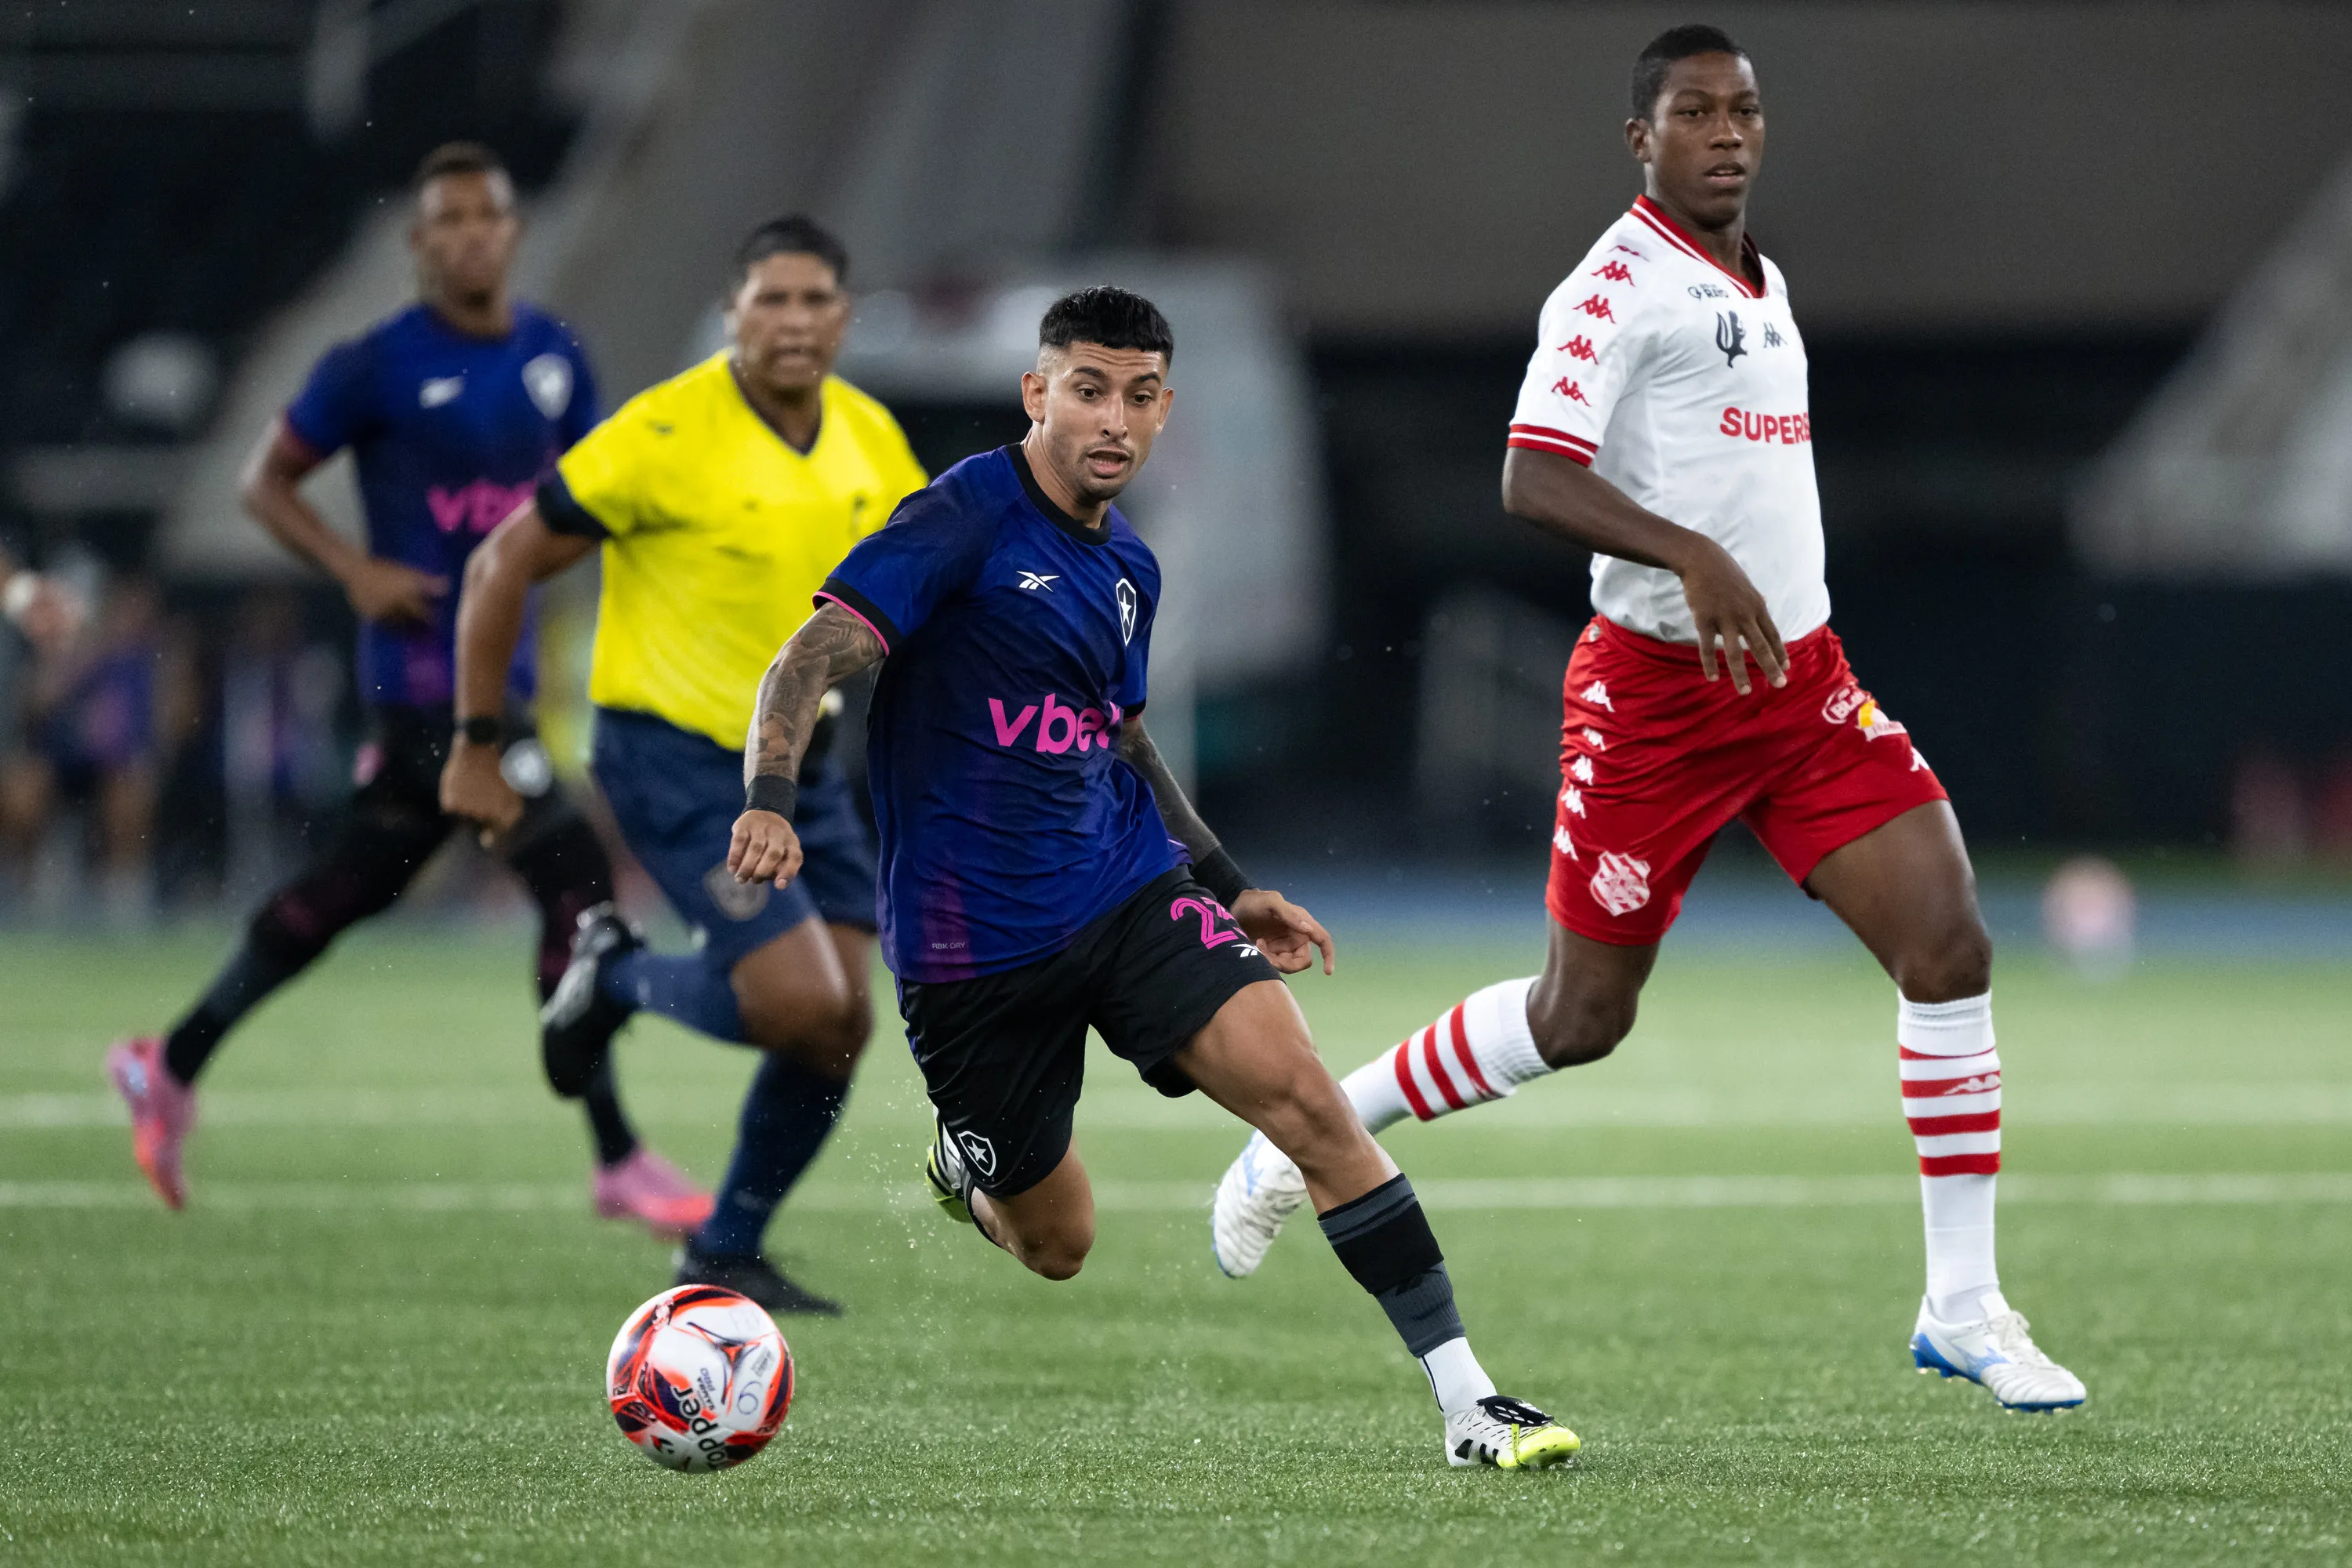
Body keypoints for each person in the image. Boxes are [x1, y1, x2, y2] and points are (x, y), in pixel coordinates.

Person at [1211, 25, 2086, 1415]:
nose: (1728, 133)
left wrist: (1744, 574)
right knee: (1580, 1017)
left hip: (1801, 690)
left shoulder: (1765, 277)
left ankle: (1965, 1303)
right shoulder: (1614, 286)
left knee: (1950, 944)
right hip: (1658, 704)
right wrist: (1688, 551)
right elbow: (1529, 475)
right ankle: (1302, 1139)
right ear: (1643, 139)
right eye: (1696, 112)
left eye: (1745, 110)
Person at [728, 285, 1580, 1468]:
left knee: (1312, 1107)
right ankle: (965, 1165)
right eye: (1086, 389)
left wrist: (1228, 883)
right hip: (971, 952)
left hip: (1124, 894)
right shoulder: (962, 517)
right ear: (1038, 393)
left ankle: (1470, 1404)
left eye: (1136, 395)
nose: (1110, 418)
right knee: (1057, 1242)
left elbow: (1119, 736)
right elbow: (813, 650)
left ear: (1166, 409)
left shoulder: (1130, 564)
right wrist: (770, 797)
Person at [106, 143, 708, 1237]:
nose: (473, 234)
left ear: (514, 232)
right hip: (428, 687)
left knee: (349, 890)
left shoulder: (555, 357)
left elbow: (591, 503)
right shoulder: (374, 363)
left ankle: (169, 1060)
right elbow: (262, 481)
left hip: (506, 677)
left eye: (491, 215)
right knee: (572, 873)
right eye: (450, 219)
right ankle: (618, 1154)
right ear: (420, 242)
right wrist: (352, 569)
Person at [442, 214, 926, 1316]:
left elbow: (922, 595)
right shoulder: (664, 432)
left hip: (804, 762)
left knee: (843, 1021)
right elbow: (500, 564)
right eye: (771, 300)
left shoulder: (870, 440)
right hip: (676, 759)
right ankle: (611, 974)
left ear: (845, 318)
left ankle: (723, 1250)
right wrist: (479, 737)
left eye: (814, 301)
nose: (794, 321)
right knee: (800, 1000)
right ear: (732, 312)